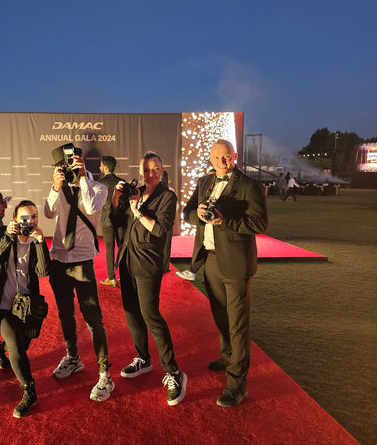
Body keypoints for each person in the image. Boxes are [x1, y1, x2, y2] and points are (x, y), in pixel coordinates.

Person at [182, 140, 267, 407]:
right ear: (210, 158)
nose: (222, 161)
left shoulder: (250, 185)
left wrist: (223, 220)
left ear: (235, 156)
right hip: (210, 260)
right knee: (220, 314)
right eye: (217, 156)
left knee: (238, 324)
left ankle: (237, 385)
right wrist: (197, 215)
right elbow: (186, 213)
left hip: (236, 263)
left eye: (226, 156)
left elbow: (260, 223)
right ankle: (228, 356)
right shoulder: (204, 182)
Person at [111, 151, 187, 407]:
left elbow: (160, 229)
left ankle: (174, 372)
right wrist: (117, 197)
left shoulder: (168, 196)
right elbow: (115, 219)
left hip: (148, 262)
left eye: (155, 169)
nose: (150, 174)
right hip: (127, 259)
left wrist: (137, 210)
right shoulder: (136, 191)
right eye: (146, 170)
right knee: (131, 312)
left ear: (162, 170)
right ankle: (143, 358)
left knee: (150, 315)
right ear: (140, 171)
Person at [44, 147, 114, 402]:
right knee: (65, 314)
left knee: (93, 319)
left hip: (82, 260)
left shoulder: (98, 187)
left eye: (72, 162)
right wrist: (55, 186)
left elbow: (93, 207)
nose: (68, 168)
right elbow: (48, 213)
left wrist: (82, 177)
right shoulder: (59, 187)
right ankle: (73, 358)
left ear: (81, 161)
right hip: (59, 259)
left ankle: (105, 374)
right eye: (64, 166)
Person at [0, 200, 50, 418]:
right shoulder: (1, 234)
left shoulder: (35, 241)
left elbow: (43, 271)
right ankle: (29, 392)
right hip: (2, 306)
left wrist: (41, 243)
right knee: (17, 346)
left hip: (26, 308)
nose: (29, 221)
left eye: (34, 217)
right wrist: (8, 238)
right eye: (24, 218)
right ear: (15, 219)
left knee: (22, 345)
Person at [98, 156, 123, 287]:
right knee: (122, 247)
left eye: (101, 165)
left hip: (107, 220)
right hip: (121, 219)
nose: (99, 167)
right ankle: (124, 276)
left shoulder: (100, 183)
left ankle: (111, 278)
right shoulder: (122, 182)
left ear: (106, 167)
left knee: (109, 248)